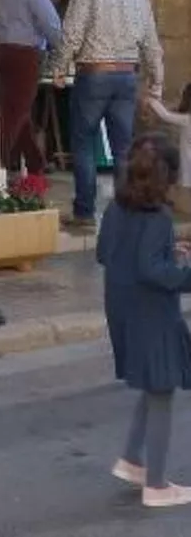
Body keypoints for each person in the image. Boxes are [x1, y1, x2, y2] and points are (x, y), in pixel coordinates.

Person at [97, 136, 191, 508]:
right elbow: (155, 271)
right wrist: (183, 269)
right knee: (162, 386)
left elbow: (107, 253)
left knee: (155, 386)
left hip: (120, 306)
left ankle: (132, 460)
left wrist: (171, 251)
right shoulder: (158, 218)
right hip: (152, 311)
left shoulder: (116, 208)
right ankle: (157, 485)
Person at [51, 0, 164, 232]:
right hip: (127, 76)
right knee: (124, 147)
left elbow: (72, 32)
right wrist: (156, 85)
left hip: (94, 73)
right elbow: (152, 46)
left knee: (84, 142)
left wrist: (59, 69)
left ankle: (85, 212)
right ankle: (127, 211)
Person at [0, 0, 61, 177]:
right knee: (17, 108)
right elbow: (49, 21)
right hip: (24, 51)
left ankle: (35, 162)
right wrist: (61, 48)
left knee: (10, 107)